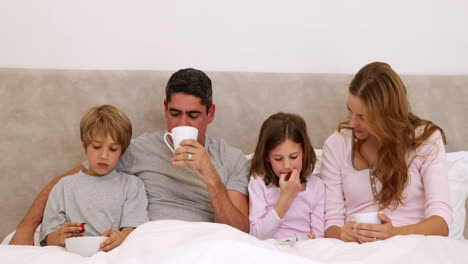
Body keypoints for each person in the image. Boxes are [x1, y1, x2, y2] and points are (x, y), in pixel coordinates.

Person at [10, 68, 250, 245]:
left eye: (194, 115)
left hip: (203, 243)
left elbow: (240, 232)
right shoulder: (140, 149)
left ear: (211, 113)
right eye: (175, 113)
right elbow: (73, 177)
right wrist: (27, 226)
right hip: (149, 241)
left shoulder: (232, 159)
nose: (182, 123)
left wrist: (211, 178)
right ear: (165, 108)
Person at [321, 62, 453, 243]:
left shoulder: (426, 139)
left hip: (414, 245)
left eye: (362, 118)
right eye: (350, 111)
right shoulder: (337, 145)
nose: (352, 124)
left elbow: (441, 223)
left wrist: (394, 234)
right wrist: (342, 234)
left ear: (387, 116)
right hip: (354, 250)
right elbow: (331, 223)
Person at [39, 104, 148, 251]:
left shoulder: (132, 185)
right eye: (96, 147)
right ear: (84, 146)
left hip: (113, 255)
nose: (104, 155)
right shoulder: (64, 186)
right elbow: (49, 239)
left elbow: (133, 232)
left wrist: (121, 237)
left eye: (113, 149)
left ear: (122, 151)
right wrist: (59, 236)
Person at [248, 112, 325, 239]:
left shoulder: (317, 186)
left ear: (304, 152)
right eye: (278, 158)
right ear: (267, 156)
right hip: (271, 250)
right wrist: (286, 198)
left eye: (293, 157)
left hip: (305, 249)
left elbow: (319, 235)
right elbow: (256, 235)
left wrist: (314, 239)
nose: (287, 165)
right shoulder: (258, 182)